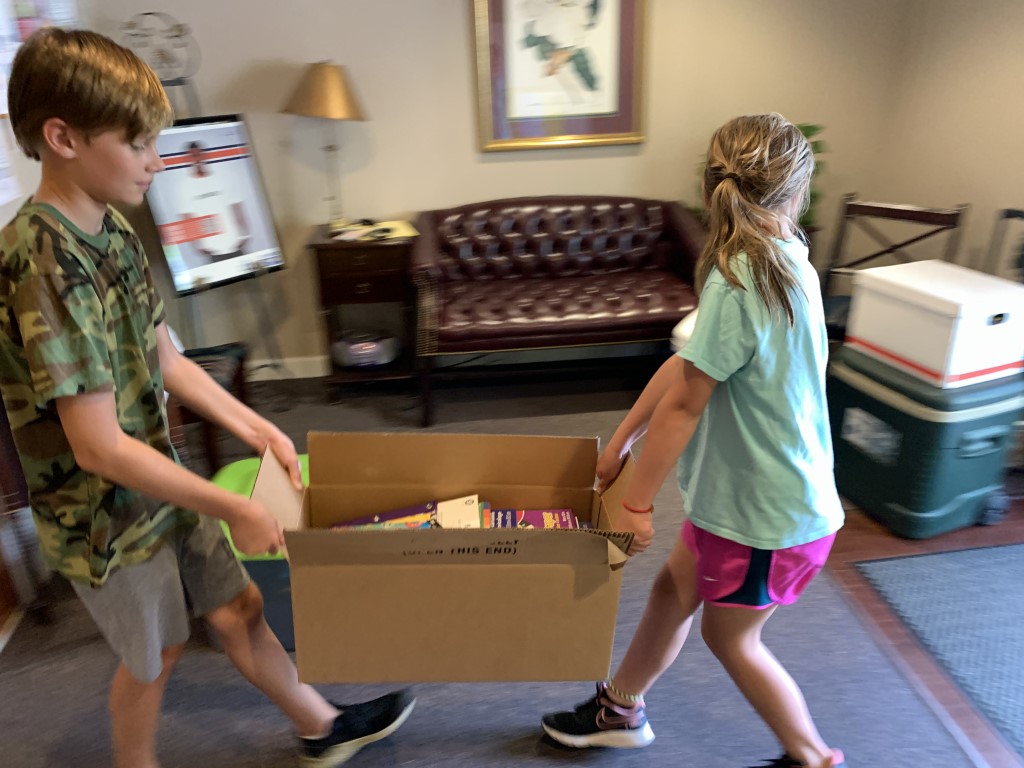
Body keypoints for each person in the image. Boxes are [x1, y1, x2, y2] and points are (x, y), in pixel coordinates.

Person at [0, 28, 413, 768]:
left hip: (160, 475)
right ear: (61, 137)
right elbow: (96, 445)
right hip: (102, 516)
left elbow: (167, 360)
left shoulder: (113, 233)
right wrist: (238, 506)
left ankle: (319, 726)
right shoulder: (42, 262)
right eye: (136, 143)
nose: (158, 162)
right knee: (156, 655)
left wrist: (260, 432)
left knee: (239, 607)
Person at [541, 113, 847, 768]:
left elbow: (686, 404)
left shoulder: (744, 276)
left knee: (731, 639)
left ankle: (813, 755)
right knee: (672, 593)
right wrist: (623, 437)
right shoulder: (768, 260)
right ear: (795, 192)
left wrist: (636, 502)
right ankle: (621, 710)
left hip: (765, 517)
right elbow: (688, 367)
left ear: (713, 184)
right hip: (735, 502)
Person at [175, 140, 252, 263]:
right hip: (211, 251)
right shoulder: (185, 187)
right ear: (188, 159)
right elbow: (187, 218)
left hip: (235, 244)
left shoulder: (222, 178)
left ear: (205, 155)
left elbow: (237, 208)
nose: (197, 159)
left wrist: (245, 235)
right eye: (193, 156)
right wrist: (197, 246)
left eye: (199, 154)